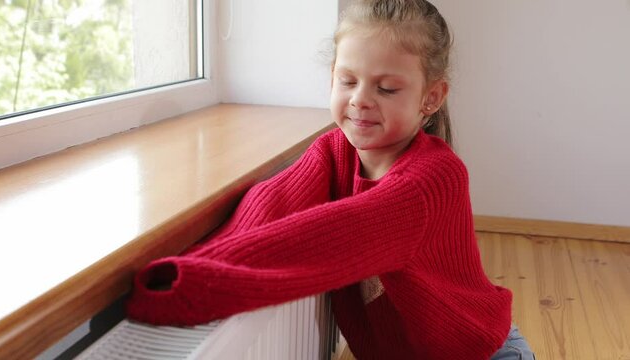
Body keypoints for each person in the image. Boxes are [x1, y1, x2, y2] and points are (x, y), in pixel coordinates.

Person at [126, 1, 535, 359]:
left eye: (387, 88)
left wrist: (195, 284)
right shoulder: (333, 150)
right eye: (348, 80)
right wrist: (197, 263)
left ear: (430, 97)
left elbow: (327, 238)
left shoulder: (432, 180)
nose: (360, 99)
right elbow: (270, 203)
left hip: (482, 355)